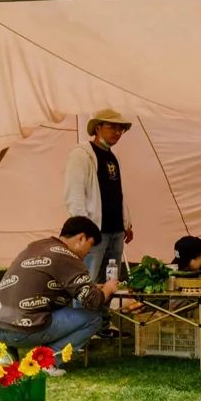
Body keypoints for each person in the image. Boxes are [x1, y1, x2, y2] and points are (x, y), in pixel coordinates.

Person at [0, 216, 119, 375]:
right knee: (95, 318)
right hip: (21, 329)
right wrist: (109, 288)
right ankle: (45, 361)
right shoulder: (67, 257)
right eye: (89, 247)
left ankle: (8, 355)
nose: (88, 253)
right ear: (81, 238)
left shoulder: (36, 246)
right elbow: (94, 301)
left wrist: (91, 288)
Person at [64, 109, 134, 282]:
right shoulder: (82, 155)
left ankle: (103, 310)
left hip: (116, 232)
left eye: (121, 129)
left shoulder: (112, 157)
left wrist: (126, 223)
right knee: (88, 282)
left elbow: (117, 192)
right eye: (112, 127)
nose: (117, 132)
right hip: (94, 232)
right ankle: (82, 311)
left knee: (109, 283)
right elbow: (74, 194)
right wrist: (84, 229)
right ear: (97, 128)